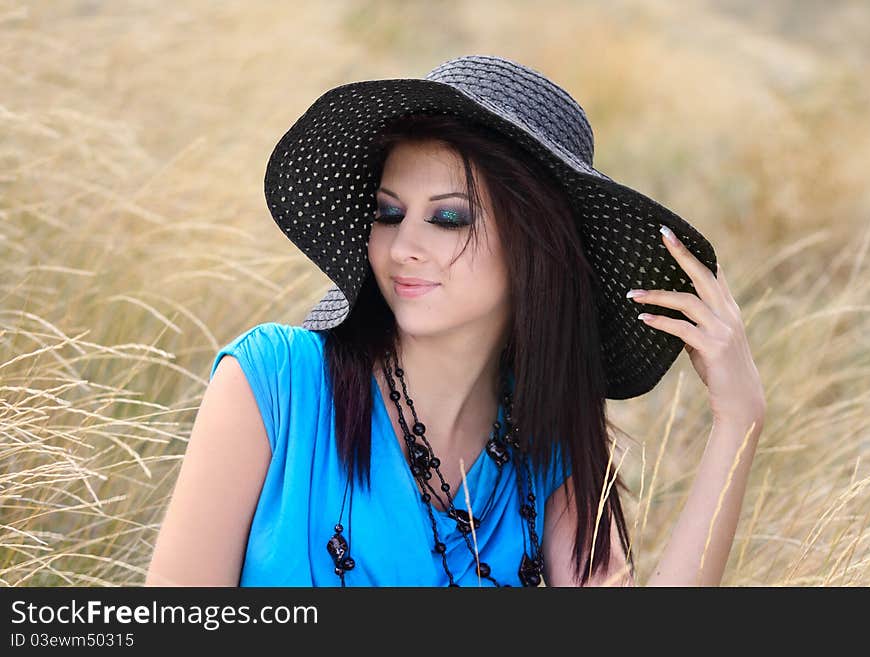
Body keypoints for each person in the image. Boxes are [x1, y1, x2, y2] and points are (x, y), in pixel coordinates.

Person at [146, 55, 766, 587]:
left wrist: (738, 422)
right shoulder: (272, 385)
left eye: (448, 219)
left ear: (535, 246)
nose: (402, 246)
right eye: (388, 214)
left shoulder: (550, 453)